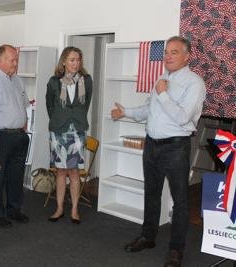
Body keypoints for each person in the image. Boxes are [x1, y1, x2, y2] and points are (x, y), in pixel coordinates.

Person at [111, 36, 206, 267]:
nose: (168, 56)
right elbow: (147, 109)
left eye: (174, 52)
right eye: (166, 52)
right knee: (151, 194)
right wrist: (127, 113)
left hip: (175, 148)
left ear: (187, 57)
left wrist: (163, 94)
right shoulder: (161, 78)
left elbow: (184, 117)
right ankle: (148, 236)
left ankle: (176, 250)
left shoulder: (194, 83)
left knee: (180, 202)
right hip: (152, 145)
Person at [0, 44, 30, 227]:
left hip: (19, 135)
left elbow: (24, 104)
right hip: (1, 136)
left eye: (16, 60)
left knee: (16, 175)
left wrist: (23, 123)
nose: (15, 64)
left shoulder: (17, 80)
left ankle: (14, 209)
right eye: (12, 60)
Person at [45, 47, 93, 224]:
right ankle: (59, 208)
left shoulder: (86, 81)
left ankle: (74, 209)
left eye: (78, 60)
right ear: (64, 61)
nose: (76, 63)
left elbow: (85, 104)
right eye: (72, 60)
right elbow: (50, 104)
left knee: (73, 172)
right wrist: (60, 119)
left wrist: (75, 118)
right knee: (60, 171)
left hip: (77, 130)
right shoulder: (53, 81)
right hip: (58, 130)